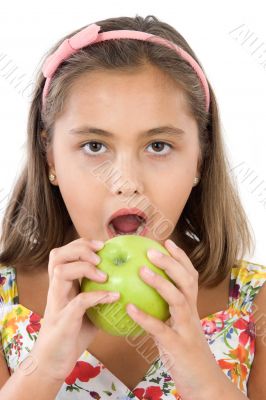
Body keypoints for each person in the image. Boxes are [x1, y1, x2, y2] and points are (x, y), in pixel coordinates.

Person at [0, 14, 265, 400]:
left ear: (200, 160)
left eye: (158, 146)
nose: (125, 182)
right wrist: (44, 369)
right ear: (51, 160)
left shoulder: (252, 301)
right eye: (94, 146)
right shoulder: (6, 297)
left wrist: (205, 383)